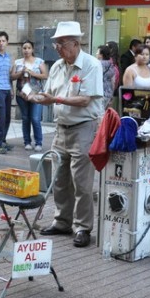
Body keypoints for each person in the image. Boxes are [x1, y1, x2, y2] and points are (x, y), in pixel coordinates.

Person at [32, 22, 104, 248]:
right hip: (61, 128)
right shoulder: (57, 67)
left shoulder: (91, 65)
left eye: (61, 43)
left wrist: (55, 100)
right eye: (56, 43)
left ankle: (82, 227)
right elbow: (51, 93)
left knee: (81, 182)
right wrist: (38, 97)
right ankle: (62, 221)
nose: (57, 48)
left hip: (83, 128)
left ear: (76, 43)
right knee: (59, 179)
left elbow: (85, 100)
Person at [13, 40, 47, 151]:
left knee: (35, 118)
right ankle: (27, 142)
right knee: (25, 118)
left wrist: (32, 73)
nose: (26, 50)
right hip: (22, 95)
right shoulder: (17, 62)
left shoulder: (39, 61)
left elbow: (45, 75)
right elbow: (12, 76)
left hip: (36, 95)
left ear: (32, 49)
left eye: (28, 48)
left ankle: (38, 142)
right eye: (24, 48)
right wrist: (21, 72)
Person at [96, 44, 118, 109]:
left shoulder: (96, 65)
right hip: (108, 94)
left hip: (98, 94)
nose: (96, 54)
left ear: (101, 55)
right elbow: (113, 82)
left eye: (97, 52)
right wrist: (111, 95)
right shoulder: (111, 65)